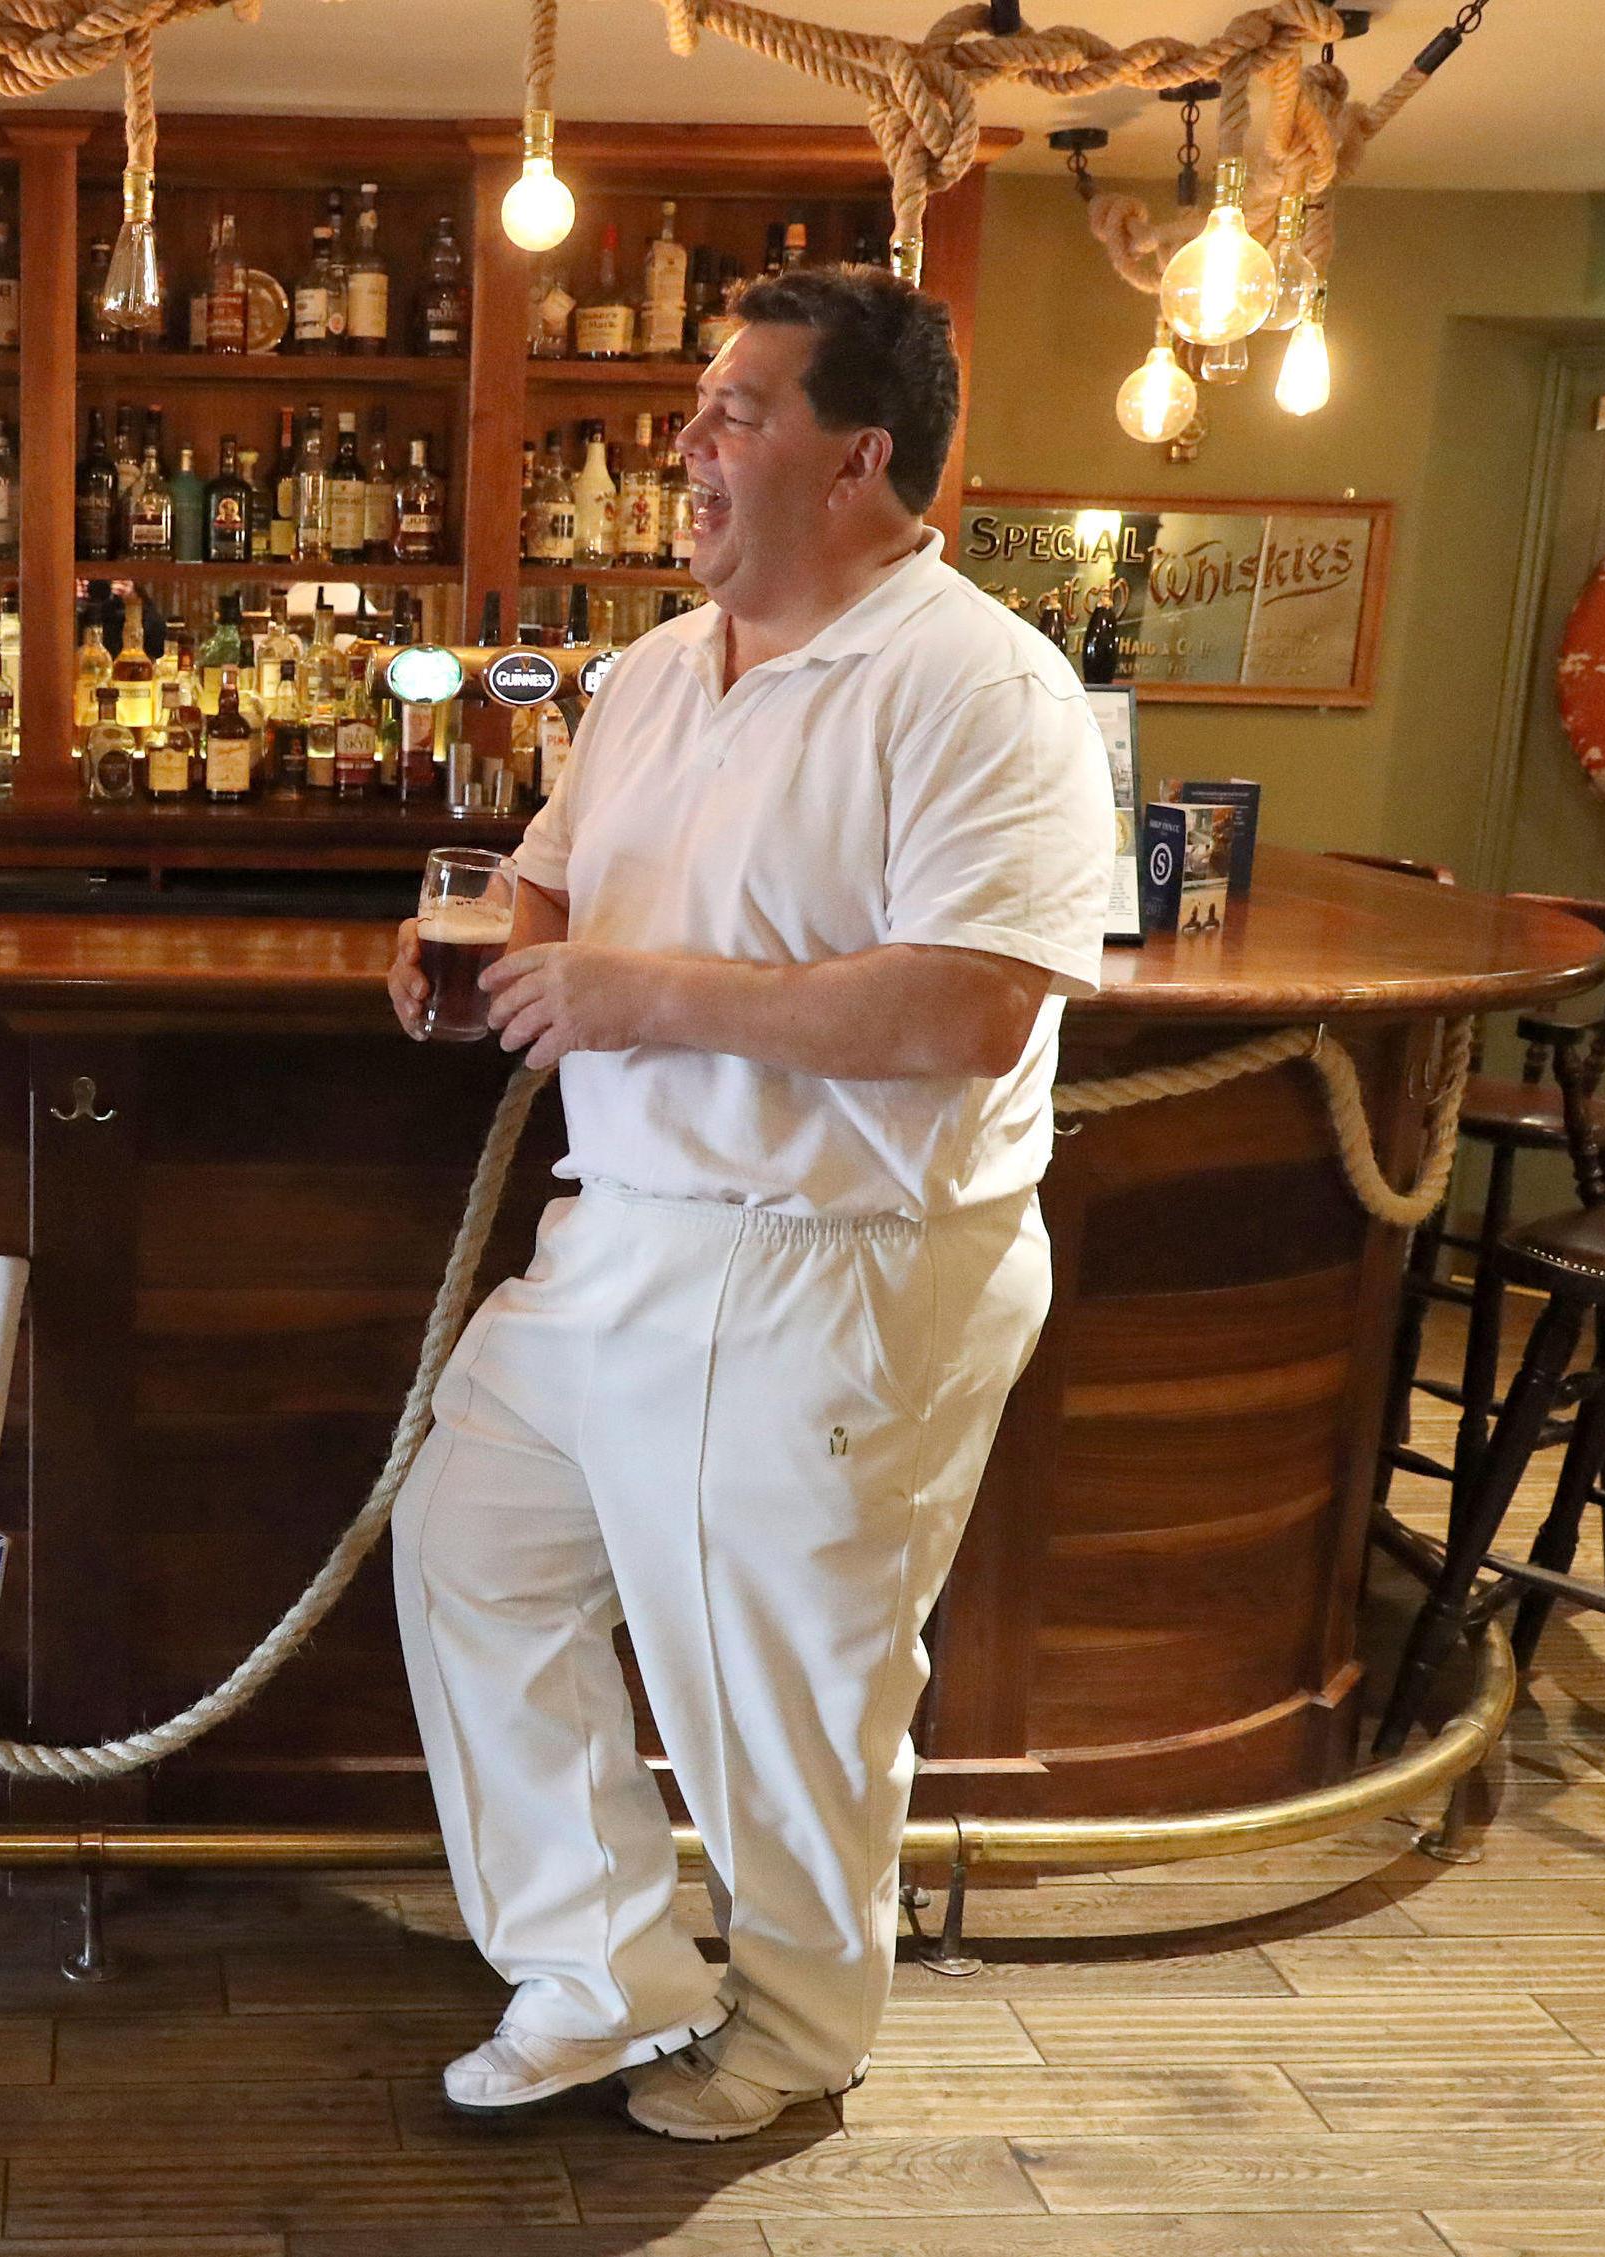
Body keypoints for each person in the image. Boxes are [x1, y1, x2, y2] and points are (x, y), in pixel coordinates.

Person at [384, 263, 1114, 2142]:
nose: (685, 444)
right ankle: (602, 1966)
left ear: (857, 458)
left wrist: (635, 996)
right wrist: (478, 945)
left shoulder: (985, 686)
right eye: (699, 411)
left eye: (735, 412)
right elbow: (552, 885)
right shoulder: (644, 672)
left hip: (840, 1261)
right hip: (619, 1222)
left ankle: (796, 2033)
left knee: (780, 1682)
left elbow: (968, 1004)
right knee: (473, 1547)